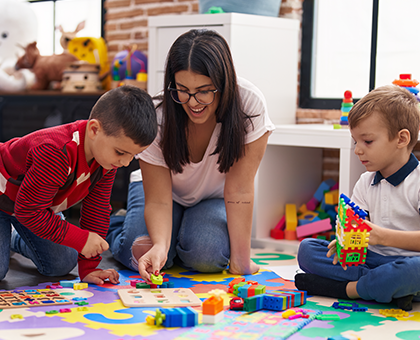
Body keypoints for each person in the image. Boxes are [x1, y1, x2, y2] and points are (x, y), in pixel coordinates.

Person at [106, 29, 275, 281]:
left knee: (207, 256)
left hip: (213, 198)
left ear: (223, 83)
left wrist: (240, 262)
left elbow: (239, 189)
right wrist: (161, 247)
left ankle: (175, 233)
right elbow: (160, 201)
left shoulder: (249, 105)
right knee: (143, 253)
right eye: (182, 89)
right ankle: (118, 225)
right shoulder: (160, 114)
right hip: (161, 195)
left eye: (205, 90)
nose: (193, 102)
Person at [0, 85, 157, 285]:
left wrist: (89, 268)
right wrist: (80, 239)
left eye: (132, 155)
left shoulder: (106, 160)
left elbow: (97, 210)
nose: (126, 163)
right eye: (120, 152)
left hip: (33, 205)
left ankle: (14, 238)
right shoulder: (56, 152)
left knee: (62, 262)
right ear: (94, 130)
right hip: (13, 201)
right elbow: (29, 212)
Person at [295, 85, 420, 311]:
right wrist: (343, 245)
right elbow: (355, 232)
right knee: (307, 249)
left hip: (410, 263)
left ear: (401, 139)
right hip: (370, 260)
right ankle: (386, 288)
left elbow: (378, 236)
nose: (357, 151)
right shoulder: (365, 181)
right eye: (355, 142)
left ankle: (348, 290)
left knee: (413, 271)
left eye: (367, 142)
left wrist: (382, 237)